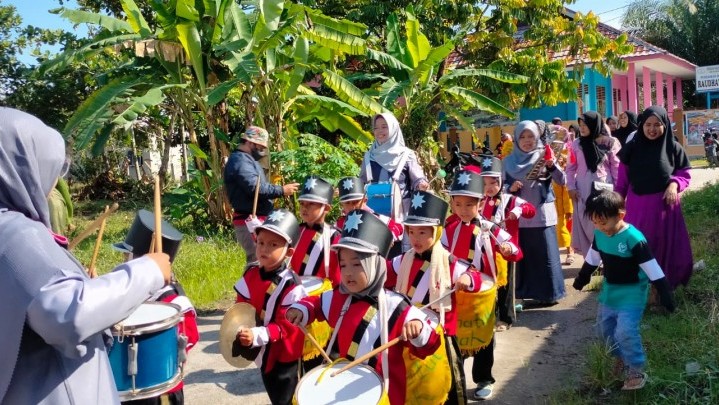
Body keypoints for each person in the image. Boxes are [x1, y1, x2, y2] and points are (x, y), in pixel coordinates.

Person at [0, 107, 173, 404]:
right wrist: (148, 270)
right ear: (24, 168)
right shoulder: (15, 232)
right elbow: (66, 315)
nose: (54, 182)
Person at [287, 210, 441, 405]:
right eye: (343, 265)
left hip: (385, 393)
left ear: (375, 265)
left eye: (357, 264)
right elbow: (315, 304)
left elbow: (430, 345)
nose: (348, 273)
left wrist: (418, 329)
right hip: (344, 388)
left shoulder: (396, 306)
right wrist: (300, 309)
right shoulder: (338, 297)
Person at [573, 190, 675, 390]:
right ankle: (620, 358)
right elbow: (594, 257)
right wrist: (582, 277)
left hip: (632, 293)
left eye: (603, 222)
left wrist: (665, 293)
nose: (600, 227)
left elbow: (651, 266)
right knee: (604, 331)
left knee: (625, 331)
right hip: (610, 291)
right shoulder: (600, 234)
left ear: (620, 215)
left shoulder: (633, 238)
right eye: (595, 222)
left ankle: (636, 369)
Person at [388, 190, 482, 404]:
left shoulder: (448, 262)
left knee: (449, 388)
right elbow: (382, 275)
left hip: (441, 336)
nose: (415, 239)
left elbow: (473, 276)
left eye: (423, 233)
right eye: (411, 232)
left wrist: (467, 279)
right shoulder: (403, 260)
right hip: (408, 333)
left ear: (437, 232)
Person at [440, 169, 518, 401]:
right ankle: (458, 380)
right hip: (457, 291)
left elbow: (514, 249)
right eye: (459, 204)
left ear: (481, 203)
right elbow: (442, 254)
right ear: (452, 203)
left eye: (469, 205)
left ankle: (484, 378)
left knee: (484, 336)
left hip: (483, 294)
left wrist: (508, 250)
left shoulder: (489, 229)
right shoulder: (448, 229)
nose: (463, 210)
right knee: (458, 335)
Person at [112, 210, 200, 405]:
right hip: (131, 387)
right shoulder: (132, 293)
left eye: (127, 256)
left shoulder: (175, 304)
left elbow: (190, 337)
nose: (122, 261)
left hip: (161, 390)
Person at [233, 209, 307, 405]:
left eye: (273, 245)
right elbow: (240, 306)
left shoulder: (292, 285)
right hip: (263, 351)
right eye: (261, 242)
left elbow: (286, 326)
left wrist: (256, 335)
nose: (264, 249)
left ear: (289, 252)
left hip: (284, 354)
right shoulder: (251, 274)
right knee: (273, 390)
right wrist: (239, 326)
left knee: (286, 397)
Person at [615, 106, 693, 289]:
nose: (652, 129)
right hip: (638, 209)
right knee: (641, 246)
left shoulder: (673, 147)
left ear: (665, 125)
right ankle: (642, 288)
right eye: (648, 124)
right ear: (641, 125)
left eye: (657, 124)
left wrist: (674, 184)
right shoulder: (632, 148)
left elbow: (684, 174)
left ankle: (665, 288)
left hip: (665, 209)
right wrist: (615, 205)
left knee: (666, 247)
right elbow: (622, 183)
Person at [503, 120, 567, 305]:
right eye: (522, 137)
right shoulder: (507, 162)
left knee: (545, 255)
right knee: (523, 256)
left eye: (531, 136)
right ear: (516, 139)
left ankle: (549, 294)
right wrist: (510, 187)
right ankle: (522, 293)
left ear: (538, 136)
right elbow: (498, 188)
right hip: (518, 216)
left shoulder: (545, 155)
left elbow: (562, 180)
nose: (527, 140)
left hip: (542, 215)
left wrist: (552, 166)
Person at [475, 156, 535, 328]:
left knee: (506, 287)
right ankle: (489, 317)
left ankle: (506, 318)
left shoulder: (510, 199)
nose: (489, 188)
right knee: (487, 284)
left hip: (505, 250)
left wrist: (519, 210)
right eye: (484, 184)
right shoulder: (478, 202)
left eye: (493, 183)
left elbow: (530, 210)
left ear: (500, 181)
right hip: (484, 250)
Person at [224, 126, 299, 264]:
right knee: (258, 261)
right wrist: (281, 190)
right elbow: (254, 187)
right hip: (249, 220)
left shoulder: (247, 160)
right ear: (249, 142)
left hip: (256, 219)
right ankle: (247, 286)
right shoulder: (240, 161)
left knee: (266, 262)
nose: (262, 151)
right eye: (259, 147)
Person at [359, 113, 429, 251]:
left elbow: (418, 178)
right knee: (376, 251)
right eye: (376, 128)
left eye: (384, 127)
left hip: (401, 213)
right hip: (375, 213)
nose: (380, 131)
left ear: (393, 129)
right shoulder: (369, 156)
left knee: (398, 253)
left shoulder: (406, 155)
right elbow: (361, 182)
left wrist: (421, 184)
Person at [566, 111, 621, 257]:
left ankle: (607, 257)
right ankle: (591, 259)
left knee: (604, 221)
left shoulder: (609, 142)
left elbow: (616, 168)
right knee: (587, 222)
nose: (582, 128)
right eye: (580, 125)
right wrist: (571, 187)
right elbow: (570, 168)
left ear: (593, 124)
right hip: (582, 191)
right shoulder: (576, 144)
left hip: (605, 188)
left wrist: (619, 192)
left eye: (585, 125)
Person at [289, 176, 341, 286]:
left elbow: (338, 273)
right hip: (294, 288)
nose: (304, 208)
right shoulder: (296, 231)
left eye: (311, 204)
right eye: (302, 203)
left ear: (326, 208)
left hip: (321, 292)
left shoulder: (334, 236)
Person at [334, 176, 404, 257]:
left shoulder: (374, 218)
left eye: (355, 202)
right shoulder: (339, 224)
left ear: (365, 201)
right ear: (342, 204)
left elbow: (399, 227)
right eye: (347, 203)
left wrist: (388, 237)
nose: (352, 207)